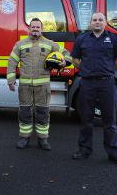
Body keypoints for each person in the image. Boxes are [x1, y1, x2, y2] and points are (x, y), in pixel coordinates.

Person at [71, 12, 117, 166]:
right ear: (90, 23)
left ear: (105, 22)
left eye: (100, 20)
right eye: (94, 20)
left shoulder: (114, 38)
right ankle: (84, 150)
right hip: (87, 83)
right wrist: (86, 69)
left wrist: (107, 70)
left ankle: (113, 153)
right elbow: (74, 59)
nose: (97, 22)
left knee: (110, 120)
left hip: (107, 83)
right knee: (86, 119)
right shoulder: (82, 39)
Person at [7, 18, 71, 151]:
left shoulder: (50, 44)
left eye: (38, 27)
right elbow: (12, 62)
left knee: (43, 112)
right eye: (33, 27)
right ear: (29, 29)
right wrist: (11, 80)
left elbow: (66, 54)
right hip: (25, 86)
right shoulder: (20, 44)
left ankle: (43, 139)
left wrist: (65, 61)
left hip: (43, 86)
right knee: (24, 112)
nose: (35, 29)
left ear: (41, 29)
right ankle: (24, 137)